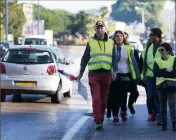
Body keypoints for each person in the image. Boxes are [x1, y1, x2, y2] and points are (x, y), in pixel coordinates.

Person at [76, 21, 118, 130]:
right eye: (98, 28)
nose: (100, 30)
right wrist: (81, 72)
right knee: (96, 99)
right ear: (95, 29)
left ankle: (101, 119)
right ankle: (97, 120)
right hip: (94, 74)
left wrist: (115, 71)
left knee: (104, 100)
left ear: (105, 29)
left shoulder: (111, 42)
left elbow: (114, 58)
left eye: (102, 28)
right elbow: (85, 58)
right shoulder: (90, 42)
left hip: (106, 74)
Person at [108, 30, 140, 125]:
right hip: (114, 76)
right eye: (117, 36)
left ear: (123, 38)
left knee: (123, 96)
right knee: (114, 97)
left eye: (121, 36)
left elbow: (133, 62)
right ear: (114, 38)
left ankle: (123, 111)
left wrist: (137, 76)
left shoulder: (128, 48)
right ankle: (115, 116)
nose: (119, 37)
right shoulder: (110, 48)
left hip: (125, 75)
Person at [153, 42, 176, 131]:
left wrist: (162, 73)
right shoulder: (157, 61)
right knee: (162, 106)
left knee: (172, 105)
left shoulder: (174, 59)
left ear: (168, 51)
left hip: (172, 85)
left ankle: (174, 123)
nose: (160, 51)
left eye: (162, 50)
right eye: (159, 50)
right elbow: (155, 73)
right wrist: (166, 70)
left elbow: (174, 73)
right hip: (161, 86)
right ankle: (164, 124)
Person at [143, 28, 163, 122]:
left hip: (161, 76)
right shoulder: (149, 47)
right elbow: (145, 62)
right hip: (150, 75)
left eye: (151, 35)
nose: (150, 37)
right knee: (150, 95)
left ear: (156, 36)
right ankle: (156, 112)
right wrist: (144, 75)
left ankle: (159, 115)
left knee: (159, 96)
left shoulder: (164, 46)